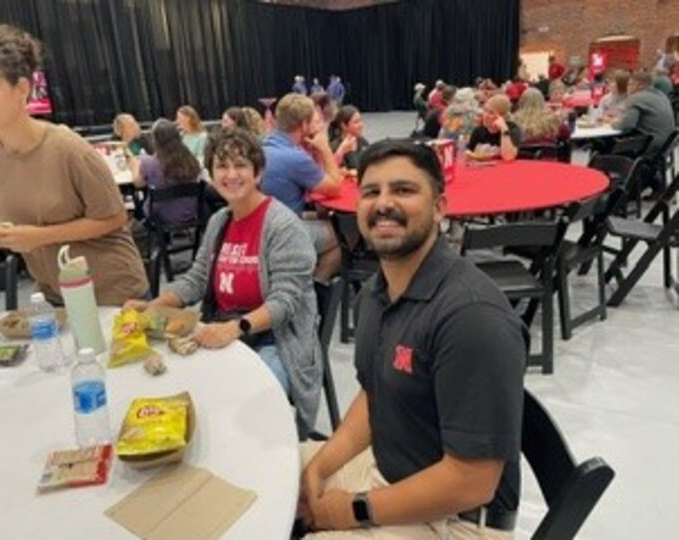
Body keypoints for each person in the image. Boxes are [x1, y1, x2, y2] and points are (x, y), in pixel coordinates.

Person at [299, 139, 525, 538]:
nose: (384, 203)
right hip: (390, 472)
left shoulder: (471, 318)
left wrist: (350, 511)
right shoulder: (376, 292)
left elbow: (473, 480)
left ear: (440, 207)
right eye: (372, 191)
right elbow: (376, 396)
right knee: (274, 475)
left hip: (457, 517)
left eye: (404, 190)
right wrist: (317, 468)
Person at [125, 128, 322, 438]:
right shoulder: (219, 221)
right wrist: (155, 305)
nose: (231, 175)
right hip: (223, 330)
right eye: (222, 166)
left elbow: (285, 302)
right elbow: (196, 280)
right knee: (172, 392)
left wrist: (235, 328)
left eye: (241, 165)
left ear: (258, 173)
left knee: (245, 410)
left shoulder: (282, 225)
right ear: (212, 174)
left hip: (274, 340)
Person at [0, 24, 148, 305]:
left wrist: (38, 236)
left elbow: (114, 217)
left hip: (112, 291)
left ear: (22, 88)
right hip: (54, 291)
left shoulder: (67, 147)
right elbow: (21, 230)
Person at [262, 93, 342, 282]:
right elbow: (335, 187)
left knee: (324, 217)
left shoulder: (264, 145)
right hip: (282, 231)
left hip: (265, 221)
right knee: (341, 238)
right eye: (314, 120)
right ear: (304, 124)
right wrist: (325, 149)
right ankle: (317, 286)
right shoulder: (294, 157)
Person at [128, 119, 201, 231]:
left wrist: (134, 166)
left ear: (155, 140)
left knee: (143, 203)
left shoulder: (149, 162)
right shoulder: (190, 159)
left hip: (160, 216)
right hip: (191, 211)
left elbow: (138, 184)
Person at [612, 69, 676, 196]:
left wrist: (613, 124)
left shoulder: (636, 98)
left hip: (652, 145)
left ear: (639, 85)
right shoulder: (661, 95)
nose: (628, 87)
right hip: (667, 144)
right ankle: (652, 182)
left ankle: (618, 190)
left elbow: (628, 125)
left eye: (630, 84)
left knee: (609, 146)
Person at [468, 94, 521, 161]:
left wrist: (503, 129)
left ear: (503, 117)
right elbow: (468, 154)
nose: (485, 116)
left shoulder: (512, 129)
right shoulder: (478, 131)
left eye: (491, 113)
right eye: (485, 110)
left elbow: (508, 157)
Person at [330, 105, 370, 170]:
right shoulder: (336, 147)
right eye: (356, 122)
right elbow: (339, 172)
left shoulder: (363, 142)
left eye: (361, 120)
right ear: (343, 126)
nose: (361, 125)